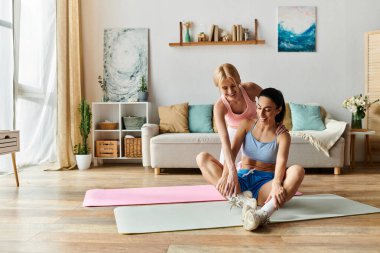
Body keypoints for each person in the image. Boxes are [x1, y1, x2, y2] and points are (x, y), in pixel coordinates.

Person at [197, 88, 305, 231]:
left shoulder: (283, 136)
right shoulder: (246, 124)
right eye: (259, 108)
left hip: (265, 186)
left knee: (298, 170)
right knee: (202, 157)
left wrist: (277, 184)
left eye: (267, 109)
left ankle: (262, 214)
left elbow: (281, 162)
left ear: (278, 110)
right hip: (241, 179)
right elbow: (232, 153)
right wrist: (228, 175)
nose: (261, 114)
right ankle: (241, 199)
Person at [212, 63, 286, 197]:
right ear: (219, 88)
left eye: (233, 85)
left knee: (256, 167)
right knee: (227, 174)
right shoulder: (220, 106)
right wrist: (231, 172)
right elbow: (225, 139)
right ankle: (238, 195)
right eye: (224, 88)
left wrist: (278, 124)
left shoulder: (250, 89)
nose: (230, 91)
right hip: (234, 134)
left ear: (239, 79)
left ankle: (263, 187)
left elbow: (270, 102)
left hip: (254, 132)